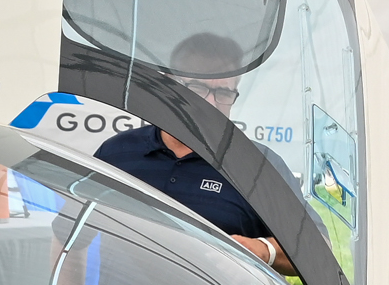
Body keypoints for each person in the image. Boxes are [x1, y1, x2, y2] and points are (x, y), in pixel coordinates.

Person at [91, 35, 275, 260]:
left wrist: (263, 250)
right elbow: (68, 236)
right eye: (197, 88)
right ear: (169, 87)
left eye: (224, 92)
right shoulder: (115, 154)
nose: (210, 103)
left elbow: (311, 250)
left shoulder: (259, 168)